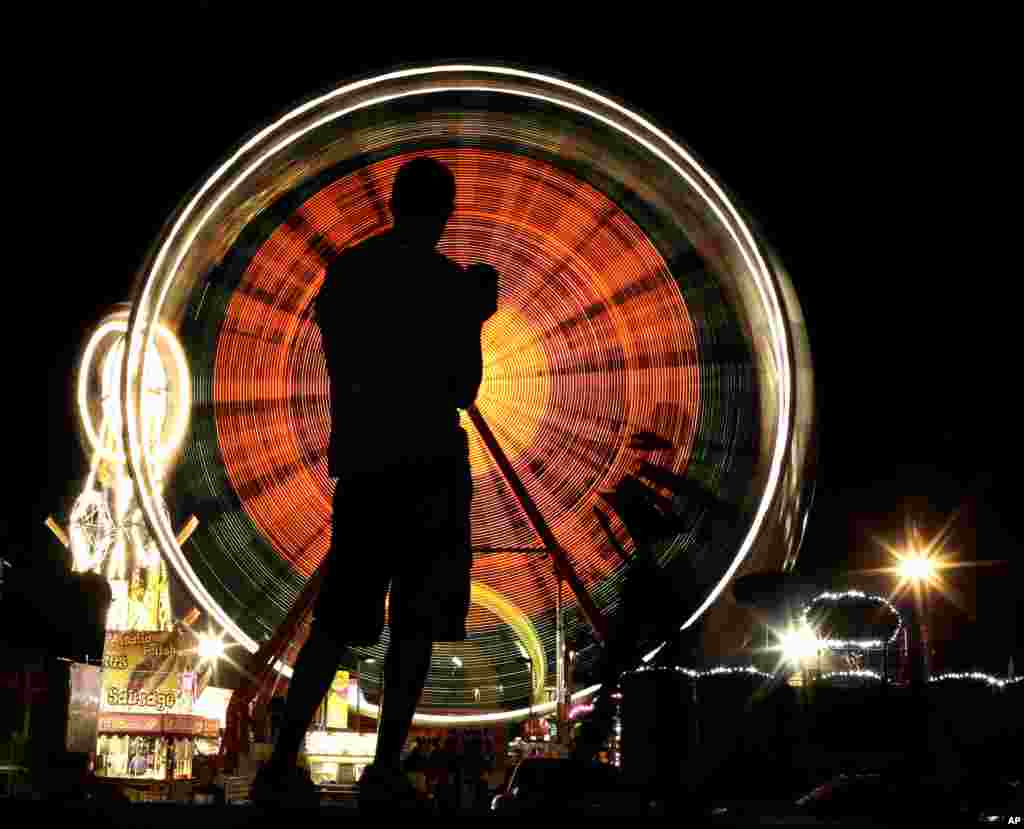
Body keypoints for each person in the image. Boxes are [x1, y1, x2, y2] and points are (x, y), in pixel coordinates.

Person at [251, 157, 496, 812]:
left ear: (392, 203)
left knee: (336, 621)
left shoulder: (350, 273)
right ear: (443, 213)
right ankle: (384, 770)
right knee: (414, 626)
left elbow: (342, 360)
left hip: (365, 465)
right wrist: (472, 317)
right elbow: (462, 388)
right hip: (431, 470)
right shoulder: (448, 286)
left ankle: (280, 762)